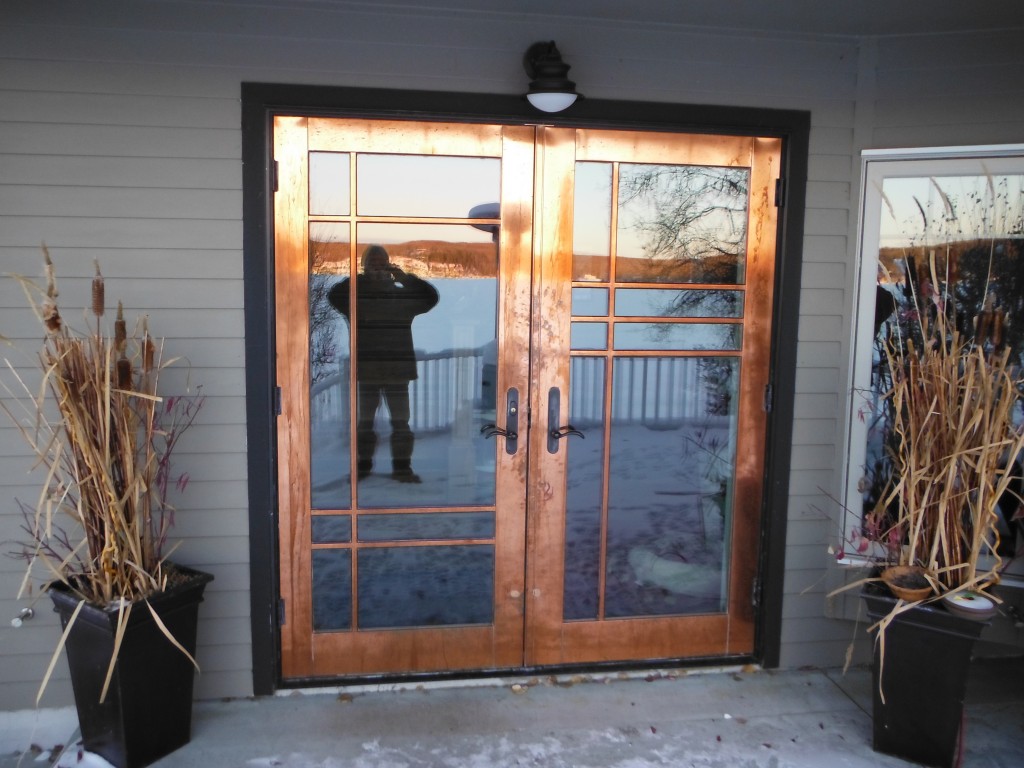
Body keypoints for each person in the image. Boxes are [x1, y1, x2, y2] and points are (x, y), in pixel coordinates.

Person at [328, 245, 439, 483]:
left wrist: (405, 279)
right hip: (367, 371)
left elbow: (431, 298)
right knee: (365, 423)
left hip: (398, 371)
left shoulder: (400, 296)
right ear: (364, 267)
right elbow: (333, 296)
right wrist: (360, 280)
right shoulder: (356, 297)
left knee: (401, 423)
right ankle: (363, 467)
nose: (377, 268)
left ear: (389, 265)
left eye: (381, 263)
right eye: (372, 263)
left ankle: (402, 468)